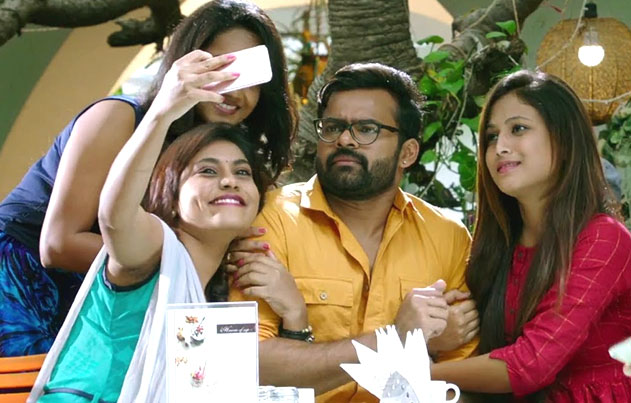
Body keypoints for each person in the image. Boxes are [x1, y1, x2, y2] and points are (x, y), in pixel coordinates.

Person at [0, 0, 296, 357]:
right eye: (218, 68)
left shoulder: (229, 157)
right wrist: (187, 261)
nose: (233, 90)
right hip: (19, 280)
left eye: (250, 75)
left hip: (114, 304)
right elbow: (58, 246)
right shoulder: (119, 117)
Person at [229, 63, 479, 402]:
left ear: (407, 153)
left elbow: (460, 382)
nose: (344, 139)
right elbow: (247, 362)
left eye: (366, 129)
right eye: (333, 127)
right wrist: (398, 339)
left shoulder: (447, 237)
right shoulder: (272, 219)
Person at [29, 119, 304, 401]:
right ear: (171, 196)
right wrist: (163, 113)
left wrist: (295, 315)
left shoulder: (217, 295)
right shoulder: (155, 248)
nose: (229, 181)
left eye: (242, 172)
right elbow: (115, 217)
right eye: (208, 171)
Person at [431, 70, 631, 401]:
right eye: (491, 137)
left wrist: (417, 373)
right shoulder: (497, 244)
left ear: (563, 140)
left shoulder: (604, 239)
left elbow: (531, 362)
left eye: (518, 129)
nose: (500, 147)